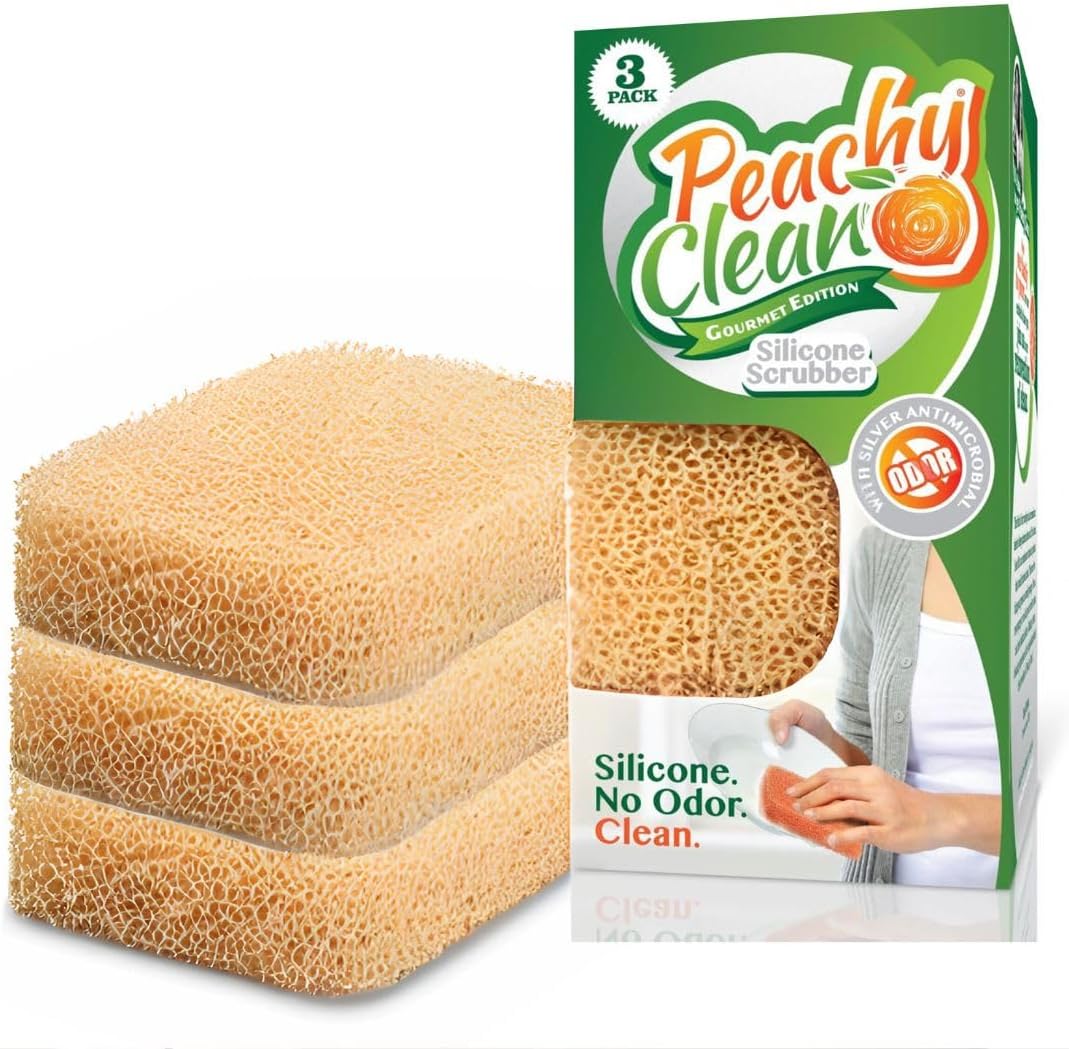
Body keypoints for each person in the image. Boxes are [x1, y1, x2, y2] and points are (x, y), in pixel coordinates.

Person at [768, 526, 1002, 887]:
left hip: (1023, 909)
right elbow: (876, 761)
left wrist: (935, 815)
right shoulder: (883, 548)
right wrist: (826, 743)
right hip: (887, 907)